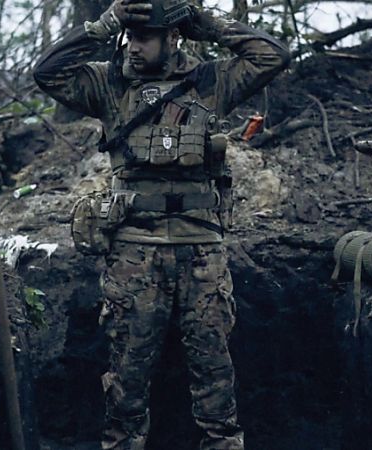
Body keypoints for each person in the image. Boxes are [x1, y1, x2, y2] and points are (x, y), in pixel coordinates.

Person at [33, 1, 289, 448]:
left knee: (215, 377)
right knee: (127, 382)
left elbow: (272, 57)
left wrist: (207, 23)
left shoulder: (210, 80)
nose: (133, 47)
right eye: (129, 37)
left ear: (173, 38)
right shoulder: (110, 83)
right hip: (133, 252)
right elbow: (48, 73)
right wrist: (105, 23)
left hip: (202, 252)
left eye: (144, 37)